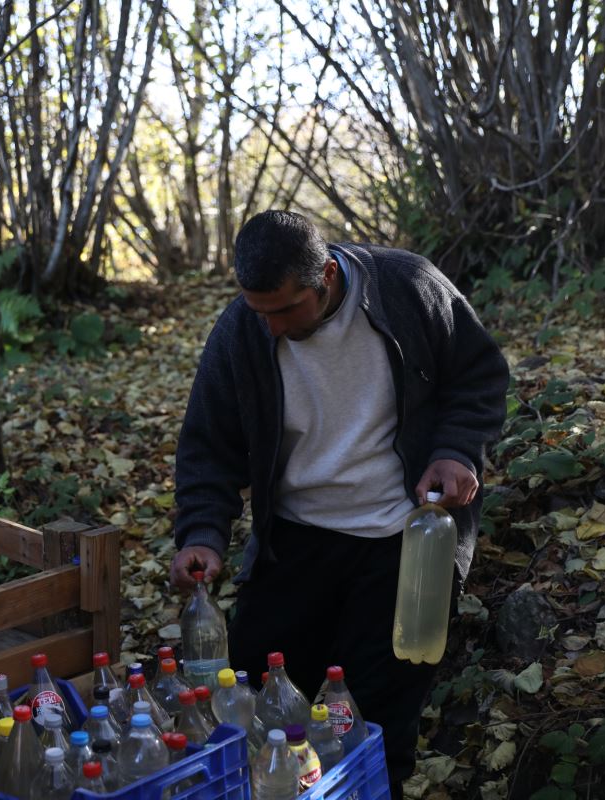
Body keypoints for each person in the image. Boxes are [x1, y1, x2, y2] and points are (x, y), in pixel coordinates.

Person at [169, 210, 509, 799]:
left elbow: (478, 377)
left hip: (403, 547)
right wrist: (201, 533)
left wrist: (458, 451)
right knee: (251, 705)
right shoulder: (241, 331)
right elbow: (208, 444)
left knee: (373, 725)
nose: (270, 327)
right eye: (259, 311)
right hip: (295, 543)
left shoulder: (409, 288)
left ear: (325, 275)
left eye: (284, 311)